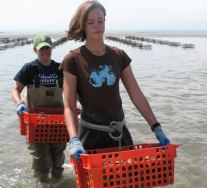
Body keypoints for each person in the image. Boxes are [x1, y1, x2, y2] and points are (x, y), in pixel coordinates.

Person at [62, 0, 170, 161]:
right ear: (83, 25)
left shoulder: (119, 56)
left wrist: (156, 127)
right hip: (90, 135)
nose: (97, 26)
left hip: (119, 132)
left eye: (100, 21)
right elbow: (70, 107)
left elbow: (137, 95)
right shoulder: (73, 60)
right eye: (91, 22)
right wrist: (74, 139)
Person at [11, 34, 66, 182]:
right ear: (35, 50)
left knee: (58, 158)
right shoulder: (29, 68)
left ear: (52, 49)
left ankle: (58, 182)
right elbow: (15, 90)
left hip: (58, 122)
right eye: (41, 49)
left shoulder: (60, 68)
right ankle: (41, 183)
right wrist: (20, 104)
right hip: (36, 122)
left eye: (47, 48)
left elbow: (72, 92)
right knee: (40, 159)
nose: (45, 52)